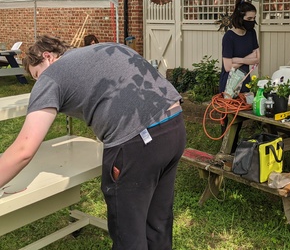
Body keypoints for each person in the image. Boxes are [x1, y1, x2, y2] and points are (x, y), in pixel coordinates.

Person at [0, 35, 186, 250]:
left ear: (47, 57)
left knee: (129, 234)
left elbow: (24, 149)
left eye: (36, 75)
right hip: (174, 127)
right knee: (158, 223)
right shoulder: (105, 49)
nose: (38, 82)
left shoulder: (52, 75)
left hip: (137, 144)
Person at [219, 0, 260, 133]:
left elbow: (257, 59)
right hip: (229, 82)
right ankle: (224, 144)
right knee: (228, 115)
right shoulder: (229, 37)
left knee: (241, 115)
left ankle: (234, 143)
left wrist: (238, 60)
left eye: (254, 18)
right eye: (249, 18)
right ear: (240, 17)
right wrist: (248, 59)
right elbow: (227, 67)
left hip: (245, 80)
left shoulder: (251, 33)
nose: (252, 21)